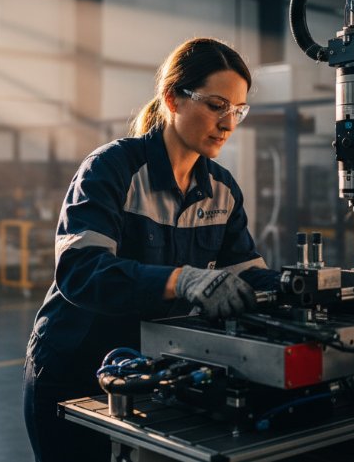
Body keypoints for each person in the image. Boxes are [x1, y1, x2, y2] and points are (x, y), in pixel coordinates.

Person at [23, 37, 279, 462]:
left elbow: (246, 273)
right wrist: (183, 280)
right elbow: (81, 271)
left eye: (237, 110)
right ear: (173, 98)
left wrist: (314, 285)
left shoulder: (223, 190)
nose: (228, 122)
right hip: (73, 372)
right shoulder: (111, 170)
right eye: (216, 105)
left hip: (149, 374)